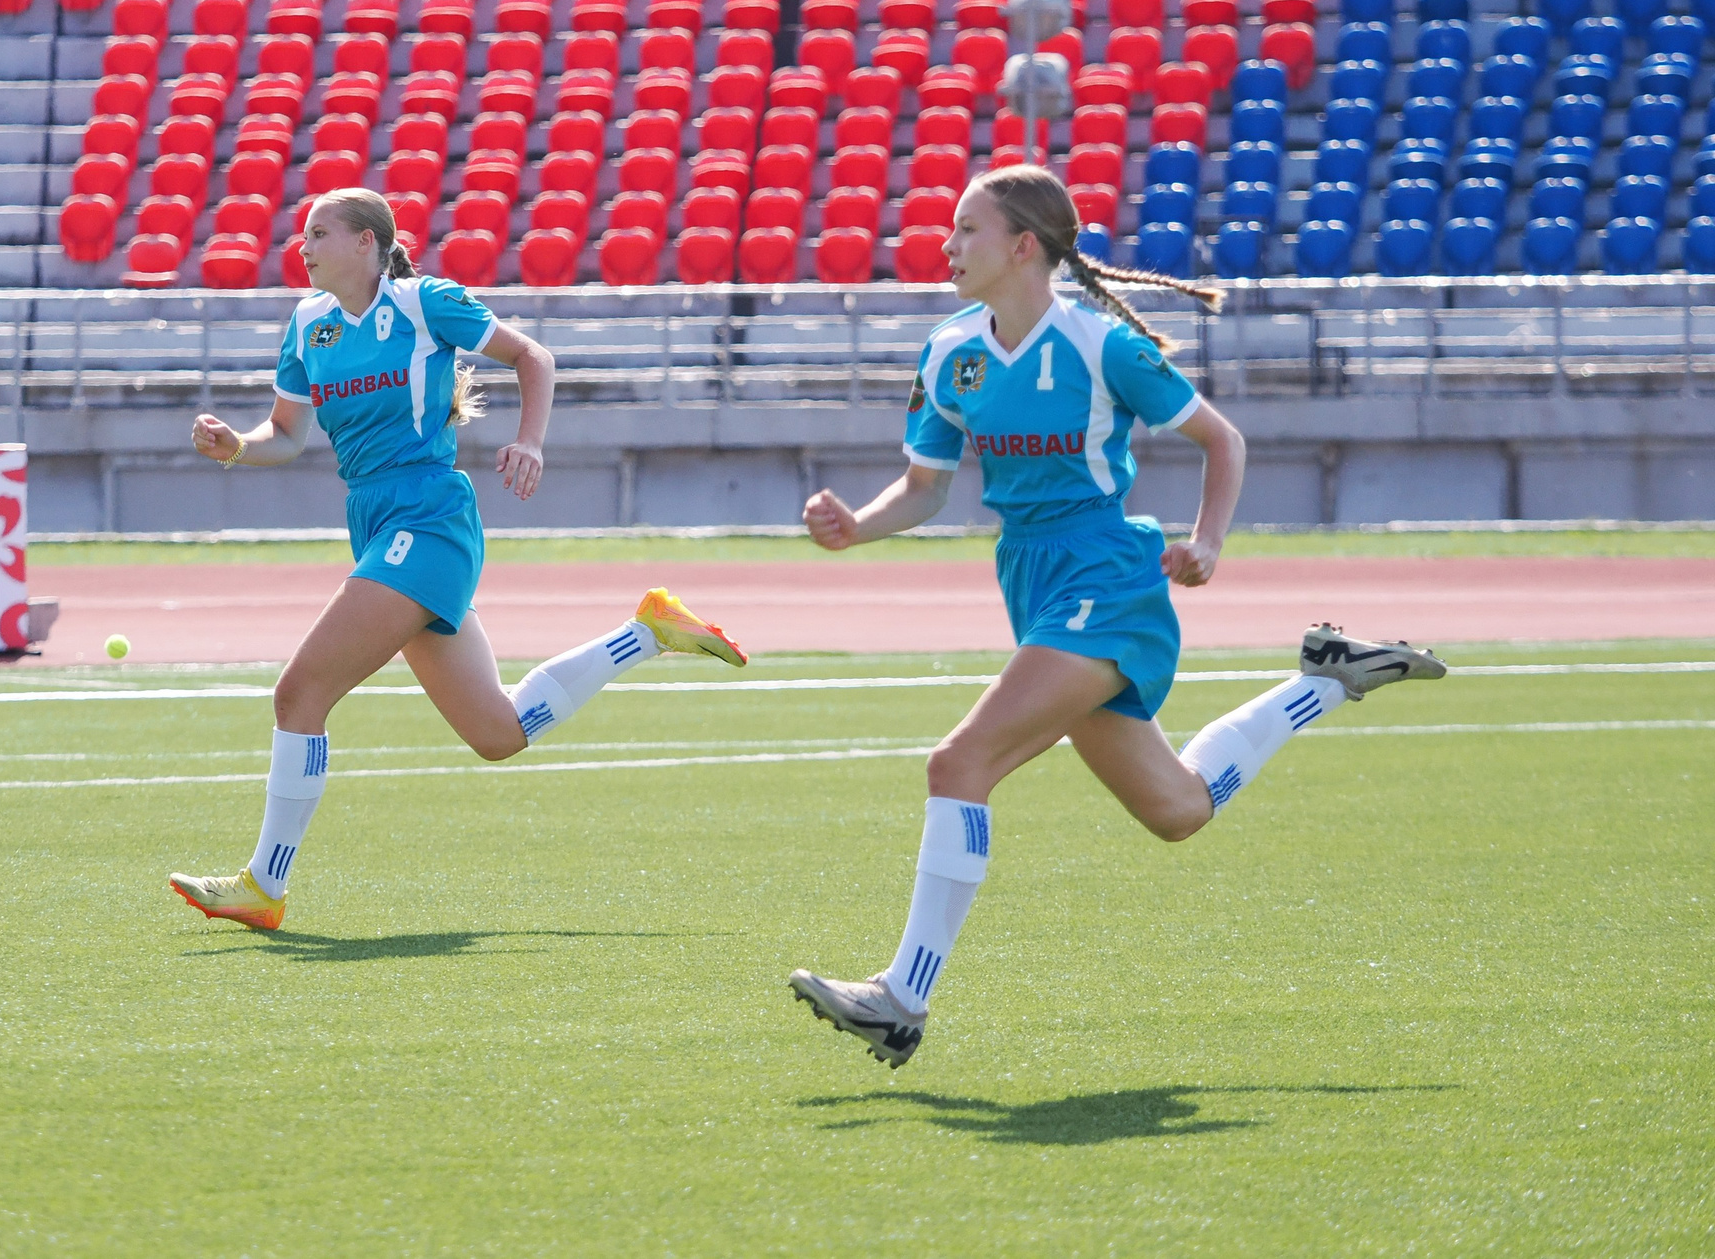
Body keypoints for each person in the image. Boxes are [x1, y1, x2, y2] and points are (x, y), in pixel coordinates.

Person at [786, 167, 1440, 1064]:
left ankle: (903, 996)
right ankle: (1323, 681)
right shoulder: (949, 351)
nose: (946, 244)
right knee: (1176, 809)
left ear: (1024, 246)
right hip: (1033, 578)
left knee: (959, 760)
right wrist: (856, 526)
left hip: (1108, 574)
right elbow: (927, 487)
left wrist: (1207, 542)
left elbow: (1223, 438)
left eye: (965, 228)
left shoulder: (1102, 346)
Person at [168, 188, 747, 930]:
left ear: (367, 244)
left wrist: (530, 440)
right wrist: (239, 447)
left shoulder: (422, 302)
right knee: (498, 733)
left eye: (319, 232)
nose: (302, 246)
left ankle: (264, 884)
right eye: (301, 233)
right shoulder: (308, 324)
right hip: (377, 520)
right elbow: (286, 433)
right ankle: (649, 630)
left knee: (298, 693)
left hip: (428, 517)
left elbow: (533, 355)